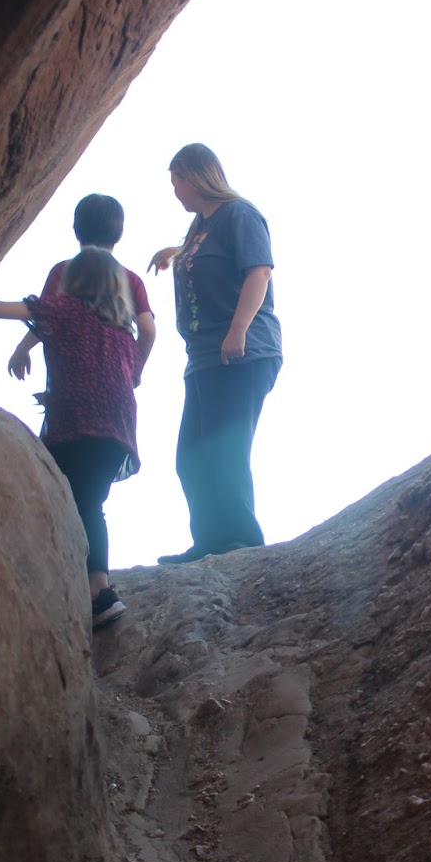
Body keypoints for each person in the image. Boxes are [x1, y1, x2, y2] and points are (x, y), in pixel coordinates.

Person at [0, 245, 141, 627]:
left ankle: (99, 593)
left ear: (75, 281)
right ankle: (91, 585)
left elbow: (3, 310)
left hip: (77, 425)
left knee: (75, 501)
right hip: (116, 431)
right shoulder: (123, 329)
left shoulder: (68, 310)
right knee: (90, 502)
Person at [148, 143, 282, 564]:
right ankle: (209, 541)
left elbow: (259, 271)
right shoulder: (199, 228)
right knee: (191, 457)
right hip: (204, 357)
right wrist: (174, 253)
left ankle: (240, 544)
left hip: (241, 351)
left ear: (195, 174)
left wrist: (238, 328)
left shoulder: (239, 214)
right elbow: (203, 255)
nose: (175, 192)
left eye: (177, 181)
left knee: (225, 451)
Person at [8, 193, 156, 384]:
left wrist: (22, 349)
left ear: (76, 231)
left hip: (68, 383)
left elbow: (45, 320)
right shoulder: (131, 280)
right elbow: (148, 330)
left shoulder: (63, 271)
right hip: (115, 389)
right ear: (119, 234)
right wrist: (134, 371)